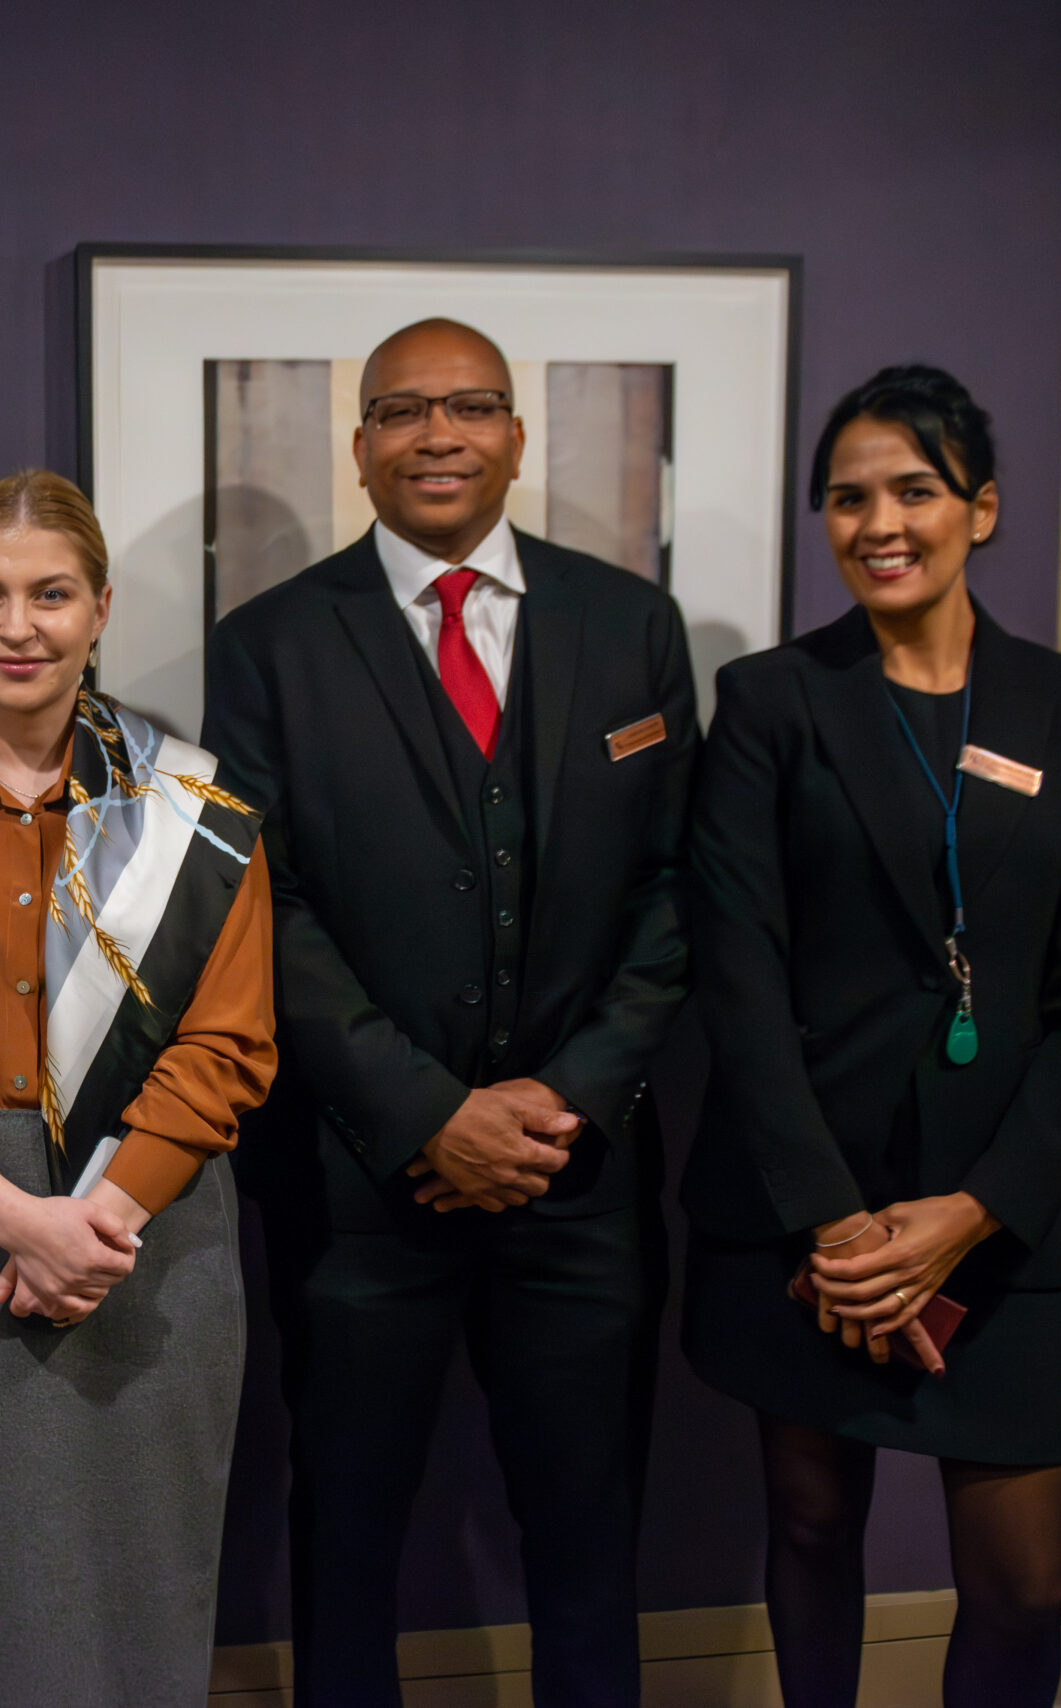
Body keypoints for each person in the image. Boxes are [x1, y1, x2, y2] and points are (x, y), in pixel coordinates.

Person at [200, 318, 696, 1708]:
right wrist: (427, 1111)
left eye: (471, 407)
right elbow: (265, 907)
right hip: (359, 1187)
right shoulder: (272, 646)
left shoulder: (629, 626)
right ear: (358, 446)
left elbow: (674, 894)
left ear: (515, 437)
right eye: (404, 411)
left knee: (592, 1535)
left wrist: (567, 1098)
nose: (439, 434)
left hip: (579, 1180)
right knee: (345, 1539)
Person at [681, 366, 1061, 1708]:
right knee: (814, 1534)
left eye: (914, 490)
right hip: (804, 1218)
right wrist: (837, 1228)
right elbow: (739, 976)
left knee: (1018, 1591)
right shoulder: (771, 702)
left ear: (982, 510)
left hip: (1001, 1224)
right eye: (848, 497)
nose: (879, 522)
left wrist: (971, 1214)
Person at [0, 470, 276, 1708]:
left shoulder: (204, 810)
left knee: (151, 1577)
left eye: (49, 594)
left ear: (98, 609)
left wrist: (88, 1220)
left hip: (153, 1224)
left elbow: (226, 1050)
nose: (15, 626)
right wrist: (15, 1218)